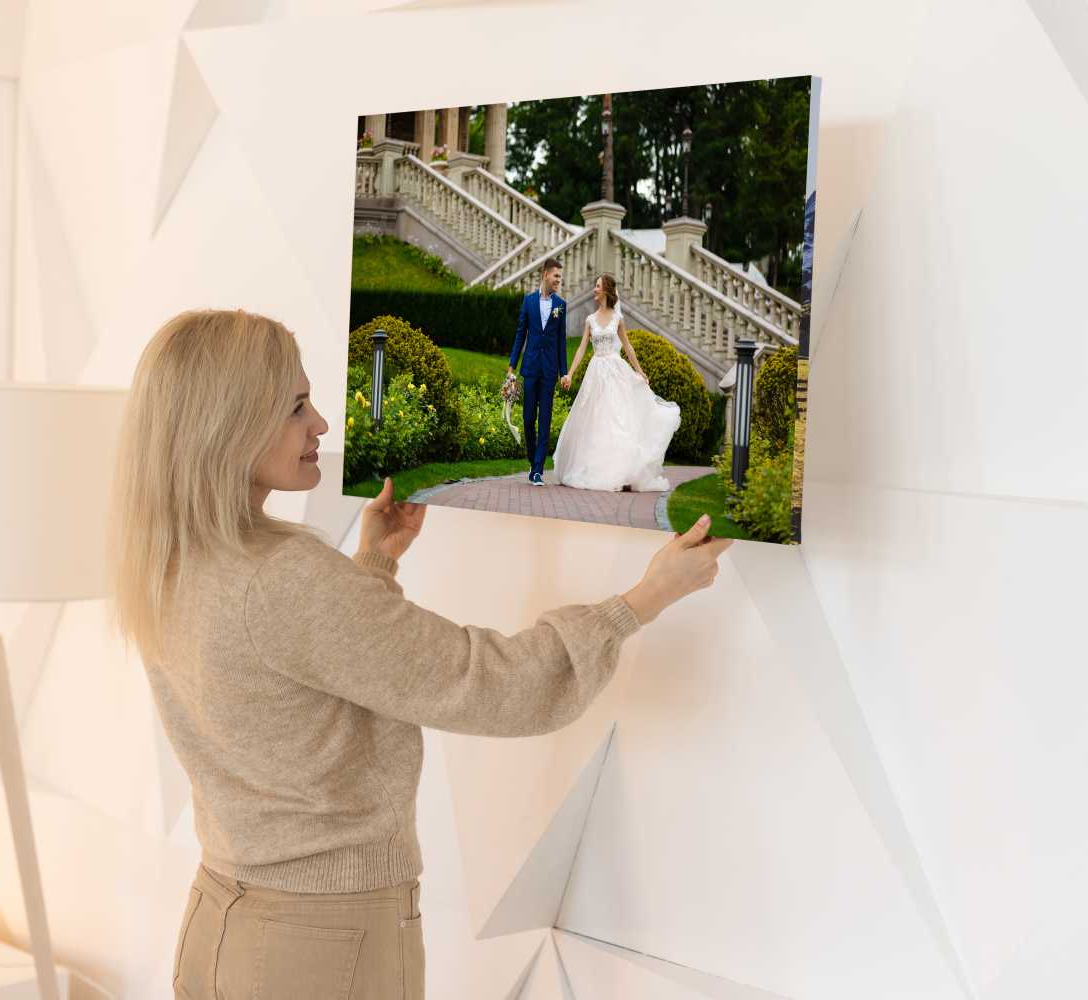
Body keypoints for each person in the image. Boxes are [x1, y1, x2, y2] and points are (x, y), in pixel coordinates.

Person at [106, 309, 733, 999]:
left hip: (220, 922)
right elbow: (489, 685)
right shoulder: (281, 578)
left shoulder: (172, 555)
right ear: (227, 425)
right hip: (321, 947)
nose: (319, 422)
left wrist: (371, 566)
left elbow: (299, 675)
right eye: (295, 406)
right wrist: (643, 599)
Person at [549, 273, 682, 492]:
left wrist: (640, 372)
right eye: (595, 285)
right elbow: (582, 348)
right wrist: (570, 373)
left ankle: (623, 471)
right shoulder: (590, 320)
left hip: (615, 371)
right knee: (595, 419)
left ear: (607, 291)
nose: (594, 289)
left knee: (617, 419)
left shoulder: (617, 319)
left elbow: (627, 347)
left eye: (598, 286)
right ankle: (594, 468)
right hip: (596, 372)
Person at [507, 257, 569, 486]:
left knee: (545, 419)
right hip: (531, 368)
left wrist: (563, 372)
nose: (558, 281)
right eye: (556, 277)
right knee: (528, 418)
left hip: (550, 370)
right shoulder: (528, 302)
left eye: (560, 278)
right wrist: (512, 365)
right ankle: (532, 458)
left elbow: (561, 341)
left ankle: (538, 470)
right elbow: (520, 335)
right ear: (545, 274)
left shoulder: (561, 305)